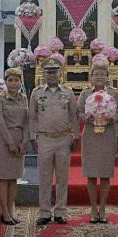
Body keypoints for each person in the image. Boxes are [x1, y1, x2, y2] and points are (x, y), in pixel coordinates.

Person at [29, 58, 78, 226]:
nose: (52, 75)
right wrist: (32, 137)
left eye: (55, 72)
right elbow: (32, 117)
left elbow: (73, 116)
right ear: (44, 74)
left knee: (62, 177)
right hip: (44, 139)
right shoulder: (36, 93)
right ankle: (44, 212)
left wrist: (76, 135)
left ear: (60, 73)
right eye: (49, 72)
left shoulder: (68, 93)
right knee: (44, 177)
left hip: (63, 138)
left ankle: (60, 211)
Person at [77, 61, 118, 224]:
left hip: (107, 135)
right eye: (96, 74)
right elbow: (79, 112)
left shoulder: (114, 93)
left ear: (107, 76)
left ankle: (102, 208)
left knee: (105, 174)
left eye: (103, 74)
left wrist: (110, 118)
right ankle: (93, 208)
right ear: (91, 77)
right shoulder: (85, 93)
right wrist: (88, 117)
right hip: (90, 134)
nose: (99, 76)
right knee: (91, 173)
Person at [0, 67, 28, 225]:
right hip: (3, 140)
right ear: (6, 82)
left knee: (14, 177)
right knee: (3, 177)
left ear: (20, 82)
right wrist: (10, 143)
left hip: (19, 140)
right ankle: (4, 211)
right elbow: (0, 122)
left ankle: (10, 208)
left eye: (16, 80)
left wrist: (24, 142)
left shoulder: (24, 98)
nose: (13, 83)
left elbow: (27, 121)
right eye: (10, 80)